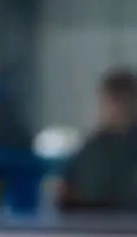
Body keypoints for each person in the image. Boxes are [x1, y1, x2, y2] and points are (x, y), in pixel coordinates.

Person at [58, 68, 137, 215]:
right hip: (91, 228)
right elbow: (66, 196)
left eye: (121, 102)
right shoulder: (89, 151)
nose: (115, 110)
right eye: (110, 102)